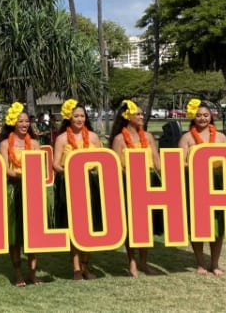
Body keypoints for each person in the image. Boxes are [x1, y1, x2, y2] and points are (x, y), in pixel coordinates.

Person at [109, 100, 163, 278]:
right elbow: (115, 165)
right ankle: (132, 262)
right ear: (128, 117)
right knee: (131, 225)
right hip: (128, 185)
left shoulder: (147, 137)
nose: (141, 116)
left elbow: (156, 161)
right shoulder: (119, 139)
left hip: (148, 183)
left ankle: (144, 262)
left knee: (146, 225)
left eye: (142, 114)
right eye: (138, 114)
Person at [177, 99, 226, 276]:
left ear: (211, 117)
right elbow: (180, 163)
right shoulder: (187, 138)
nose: (202, 118)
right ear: (193, 117)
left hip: (218, 185)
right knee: (197, 225)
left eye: (206, 115)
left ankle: (215, 263)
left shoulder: (221, 137)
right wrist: (198, 164)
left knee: (218, 226)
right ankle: (200, 262)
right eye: (198, 115)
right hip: (195, 184)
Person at [52, 99, 103, 280]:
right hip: (69, 184)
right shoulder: (62, 139)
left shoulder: (94, 137)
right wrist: (70, 171)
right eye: (76, 116)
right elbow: (55, 164)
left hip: (90, 185)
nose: (80, 119)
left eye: (82, 116)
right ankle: (75, 268)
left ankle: (86, 266)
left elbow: (102, 161)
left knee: (90, 225)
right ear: (69, 117)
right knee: (74, 226)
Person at [0, 102, 42, 287]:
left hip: (32, 189)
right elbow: (5, 168)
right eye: (20, 121)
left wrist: (31, 176)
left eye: (26, 121)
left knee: (33, 232)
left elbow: (40, 166)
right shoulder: (4, 144)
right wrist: (21, 174)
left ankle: (32, 272)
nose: (24, 124)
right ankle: (17, 273)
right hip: (13, 189)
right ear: (13, 122)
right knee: (15, 233)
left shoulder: (36, 143)